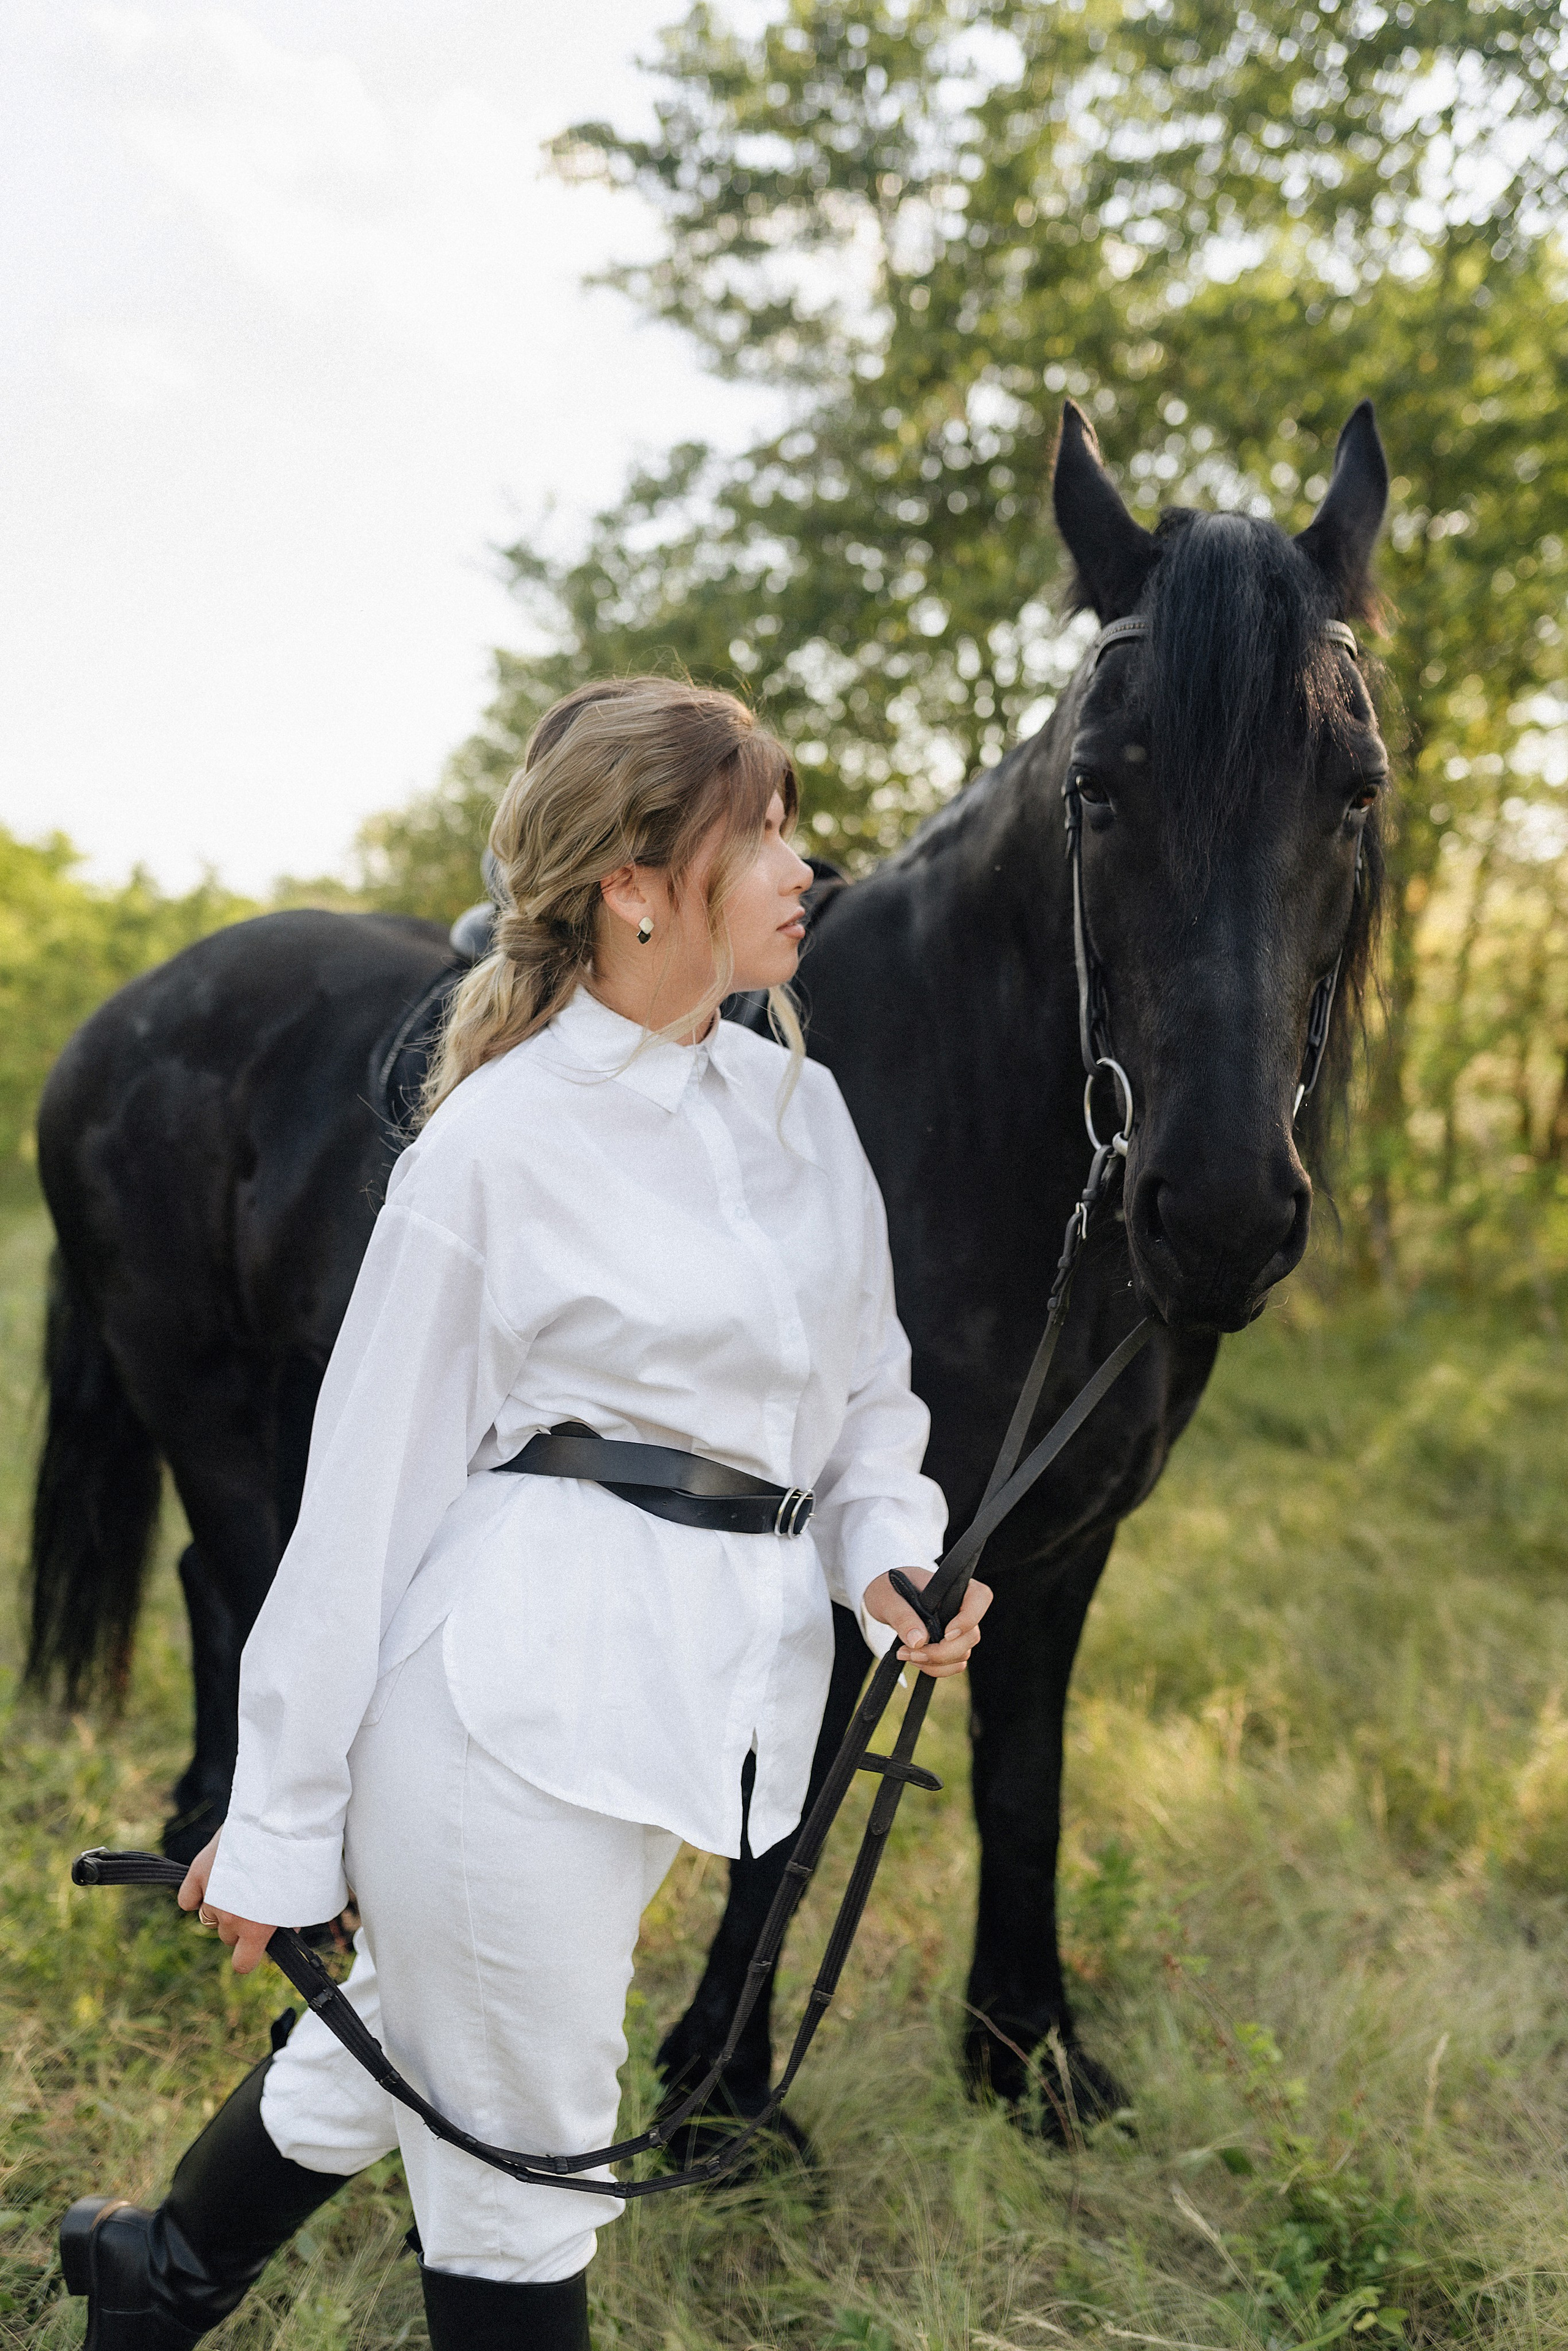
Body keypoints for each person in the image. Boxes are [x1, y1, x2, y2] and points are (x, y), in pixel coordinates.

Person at [59, 677, 990, 2350]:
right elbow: (361, 1504)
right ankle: (158, 2291)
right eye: (759, 831)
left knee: (424, 2033)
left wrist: (888, 1554)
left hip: (695, 1706)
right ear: (636, 884)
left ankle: (149, 2290)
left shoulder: (804, 1113)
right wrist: (278, 1817)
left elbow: (867, 1400)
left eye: (791, 826)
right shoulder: (495, 1149)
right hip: (505, 1723)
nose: (802, 866)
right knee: (523, 2169)